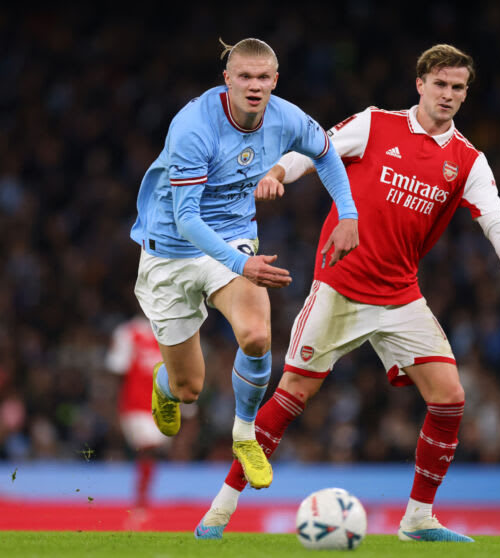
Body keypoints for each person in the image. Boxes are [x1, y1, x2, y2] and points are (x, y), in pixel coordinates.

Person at [196, 44, 500, 542]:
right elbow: (312, 151)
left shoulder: (468, 161)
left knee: (450, 398)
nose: (447, 94)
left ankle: (418, 519)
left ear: (465, 94)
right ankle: (219, 512)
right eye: (439, 84)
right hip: (340, 288)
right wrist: (274, 172)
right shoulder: (377, 124)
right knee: (292, 395)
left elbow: (498, 223)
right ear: (420, 84)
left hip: (401, 297)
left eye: (457, 87)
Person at [129, 38, 359, 493]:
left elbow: (326, 152)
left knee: (256, 336)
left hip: (233, 235)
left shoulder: (287, 116)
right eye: (245, 77)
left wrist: (349, 214)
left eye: (263, 78)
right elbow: (186, 217)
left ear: (275, 80)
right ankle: (166, 384)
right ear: (227, 80)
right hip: (171, 249)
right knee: (190, 387)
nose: (254, 86)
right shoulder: (193, 126)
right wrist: (242, 264)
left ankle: (244, 433)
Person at [105, 315, 167, 508]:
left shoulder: (173, 330)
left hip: (165, 407)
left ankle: (144, 496)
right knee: (148, 447)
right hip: (136, 406)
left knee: (153, 451)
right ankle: (141, 499)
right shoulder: (128, 332)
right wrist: (114, 408)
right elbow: (117, 371)